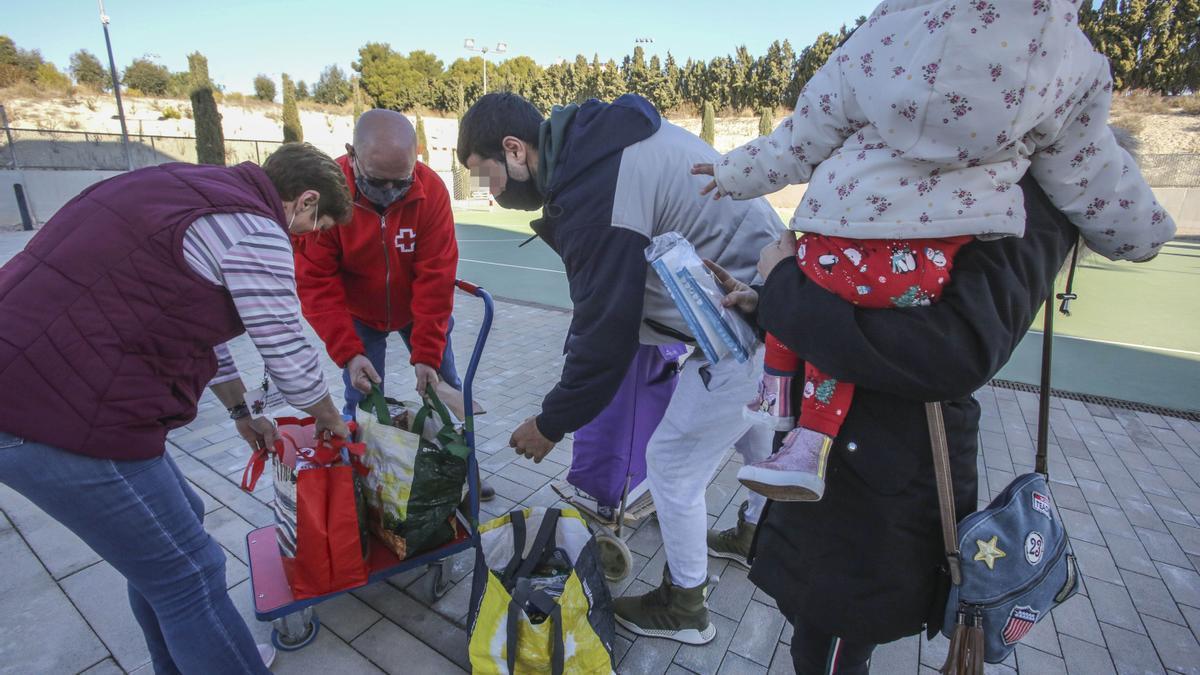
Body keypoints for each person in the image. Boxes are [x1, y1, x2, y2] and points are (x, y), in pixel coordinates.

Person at [693, 0, 1175, 502]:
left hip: (878, 492)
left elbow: (802, 134)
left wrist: (738, 186)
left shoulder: (883, 32)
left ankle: (782, 407)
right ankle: (798, 434)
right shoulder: (1066, 69)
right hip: (897, 453)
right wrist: (1143, 234)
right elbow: (1092, 171)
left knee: (822, 278)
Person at [705, 174, 1095, 673]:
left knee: (828, 648)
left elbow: (953, 353)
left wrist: (786, 286)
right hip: (849, 467)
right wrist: (769, 305)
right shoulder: (963, 153)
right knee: (812, 626)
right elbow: (874, 293)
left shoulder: (1027, 187)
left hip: (880, 485)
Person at [0, 143, 353, 674]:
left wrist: (241, 413)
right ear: (304, 201)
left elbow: (193, 326)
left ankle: (187, 662)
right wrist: (329, 417)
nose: (306, 240)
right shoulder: (256, 227)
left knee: (175, 534)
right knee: (189, 575)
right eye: (314, 227)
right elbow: (285, 347)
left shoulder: (180, 189)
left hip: (41, 386)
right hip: (62, 410)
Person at [457, 92, 781, 644]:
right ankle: (755, 532)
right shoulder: (598, 145)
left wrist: (551, 423)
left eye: (483, 173)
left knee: (672, 466)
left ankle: (685, 606)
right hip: (772, 301)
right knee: (750, 428)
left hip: (746, 317)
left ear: (514, 150)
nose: (490, 190)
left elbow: (604, 333)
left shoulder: (593, 184)